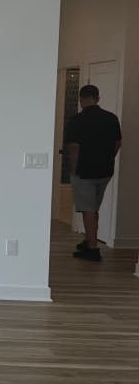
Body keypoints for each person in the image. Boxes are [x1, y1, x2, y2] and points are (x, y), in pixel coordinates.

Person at [64, 84, 122, 261]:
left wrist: (73, 172)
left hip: (84, 171)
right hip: (105, 170)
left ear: (81, 99)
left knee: (88, 209)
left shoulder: (76, 120)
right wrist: (109, 157)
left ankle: (92, 249)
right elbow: (118, 142)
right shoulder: (111, 118)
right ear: (97, 98)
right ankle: (89, 240)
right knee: (94, 207)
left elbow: (74, 148)